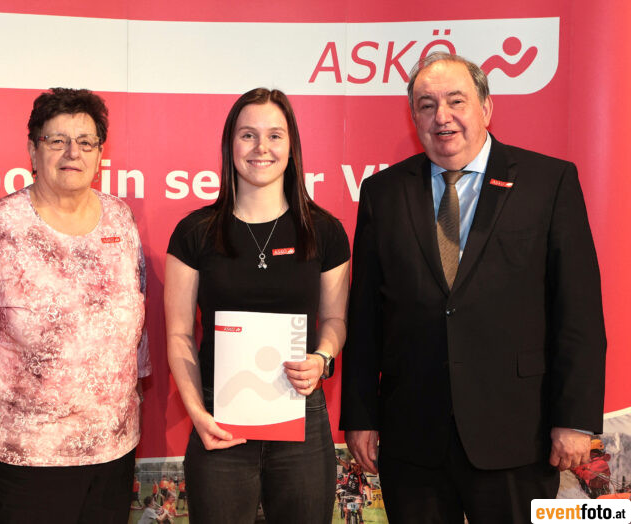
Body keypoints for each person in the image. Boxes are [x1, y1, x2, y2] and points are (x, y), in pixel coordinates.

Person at [340, 52, 606, 523]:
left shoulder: (548, 182)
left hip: (518, 436)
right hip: (413, 439)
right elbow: (365, 318)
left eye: (455, 101)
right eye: (426, 105)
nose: (441, 116)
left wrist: (575, 419)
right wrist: (361, 416)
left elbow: (578, 311)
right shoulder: (383, 192)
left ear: (486, 107)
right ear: (414, 117)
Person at [0, 87, 150, 524]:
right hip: (23, 457)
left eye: (85, 142)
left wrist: (134, 391)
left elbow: (135, 315)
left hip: (111, 450)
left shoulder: (120, 219)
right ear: (33, 150)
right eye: (57, 140)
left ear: (100, 154)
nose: (73, 152)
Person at [165, 87, 350, 523]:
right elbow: (178, 333)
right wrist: (197, 413)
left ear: (292, 146)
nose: (261, 147)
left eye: (274, 135)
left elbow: (335, 319)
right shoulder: (194, 232)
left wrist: (322, 358)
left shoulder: (324, 231)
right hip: (218, 421)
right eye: (247, 135)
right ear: (230, 145)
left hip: (301, 415)